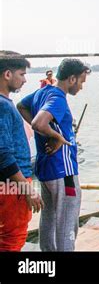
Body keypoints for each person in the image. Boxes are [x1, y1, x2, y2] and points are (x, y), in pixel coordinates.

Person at [17, 58, 90, 251]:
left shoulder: (42, 92)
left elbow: (21, 107)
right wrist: (55, 135)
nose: (81, 87)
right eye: (81, 81)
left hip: (46, 168)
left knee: (49, 218)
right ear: (72, 78)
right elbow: (38, 123)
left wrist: (46, 131)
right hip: (63, 171)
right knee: (67, 223)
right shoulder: (58, 97)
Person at [0, 51, 43, 251]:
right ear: (7, 74)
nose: (25, 80)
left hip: (9, 183)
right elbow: (3, 153)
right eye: (22, 74)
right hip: (13, 184)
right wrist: (27, 189)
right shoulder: (3, 105)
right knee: (13, 237)